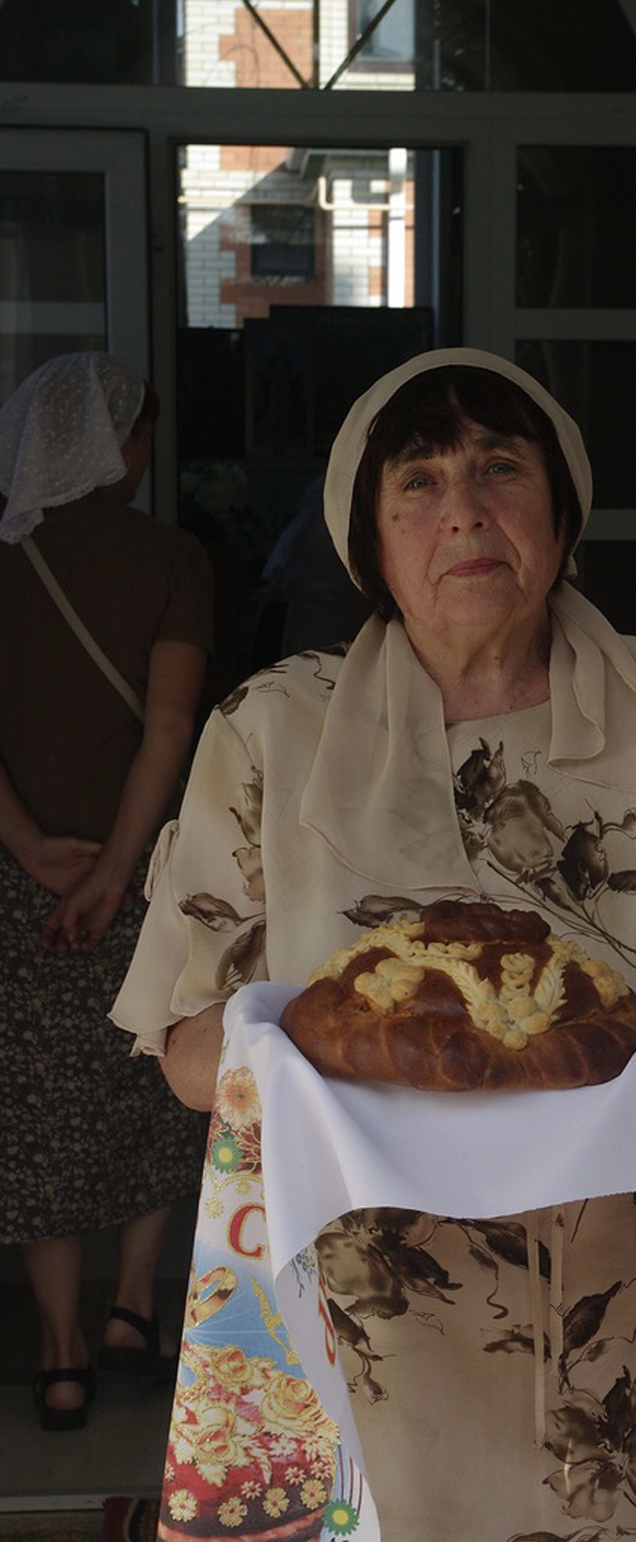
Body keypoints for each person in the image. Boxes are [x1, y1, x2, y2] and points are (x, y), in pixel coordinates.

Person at [111, 347, 636, 1535]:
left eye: (501, 468)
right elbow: (187, 1057)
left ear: (561, 517)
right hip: (365, 1313)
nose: (463, 509)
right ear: (369, 540)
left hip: (626, 1310)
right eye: (419, 481)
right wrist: (267, 1038)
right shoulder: (269, 732)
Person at [0, 352, 214, 1431]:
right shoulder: (172, 557)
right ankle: (133, 1306)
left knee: (37, 1109)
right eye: (139, 435)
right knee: (154, 1082)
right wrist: (117, 873)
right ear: (109, 444)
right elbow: (169, 727)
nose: (144, 455)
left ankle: (60, 1351)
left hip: (16, 882)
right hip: (149, 872)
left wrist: (34, 846)